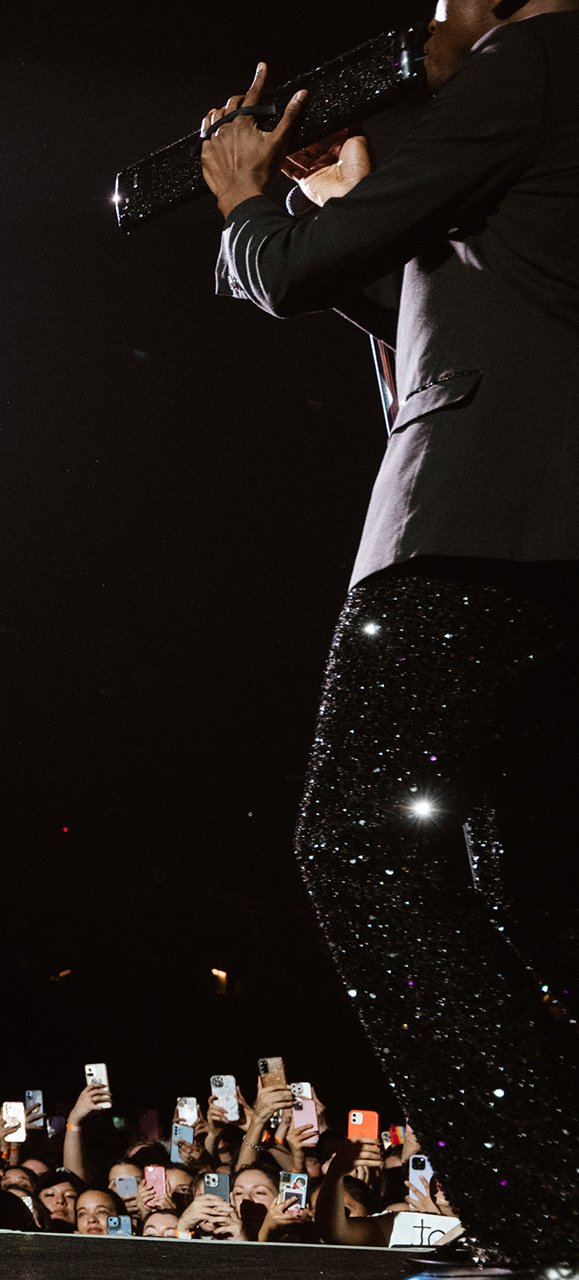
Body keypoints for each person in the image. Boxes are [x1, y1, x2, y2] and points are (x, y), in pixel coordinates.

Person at [200, 0, 579, 1264]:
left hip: (479, 526)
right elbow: (478, 303)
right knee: (528, 883)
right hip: (547, 526)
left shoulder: (530, 56)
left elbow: (291, 274)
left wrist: (248, 202)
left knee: (360, 844)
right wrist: (351, 200)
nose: (430, 20)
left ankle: (545, 1207)